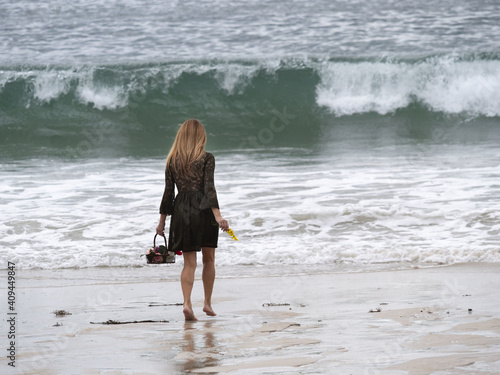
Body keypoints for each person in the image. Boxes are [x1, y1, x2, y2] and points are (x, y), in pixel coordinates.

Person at [156, 119, 229, 321]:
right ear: (200, 137)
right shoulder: (207, 158)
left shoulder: (172, 160)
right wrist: (218, 216)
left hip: (181, 211)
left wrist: (162, 221)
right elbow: (209, 189)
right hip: (204, 210)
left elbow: (168, 193)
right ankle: (207, 303)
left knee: (189, 263)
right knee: (209, 259)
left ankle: (187, 304)